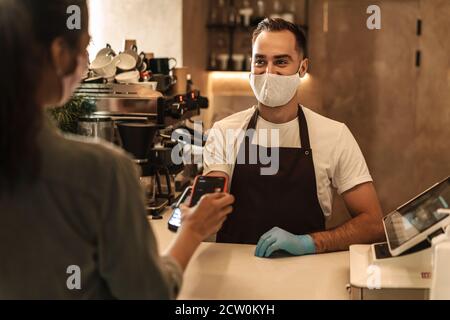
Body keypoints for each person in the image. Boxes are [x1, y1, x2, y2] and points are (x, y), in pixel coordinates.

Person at [0, 0, 234, 299]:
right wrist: (192, 230)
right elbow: (148, 293)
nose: (87, 61)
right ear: (60, 54)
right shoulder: (100, 173)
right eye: (84, 48)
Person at [203, 18, 385, 257]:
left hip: (306, 275)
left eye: (280, 61)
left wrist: (310, 242)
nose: (269, 72)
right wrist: (199, 210)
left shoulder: (334, 135)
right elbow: (211, 207)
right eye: (260, 61)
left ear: (302, 67)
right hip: (234, 275)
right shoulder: (224, 132)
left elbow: (373, 224)